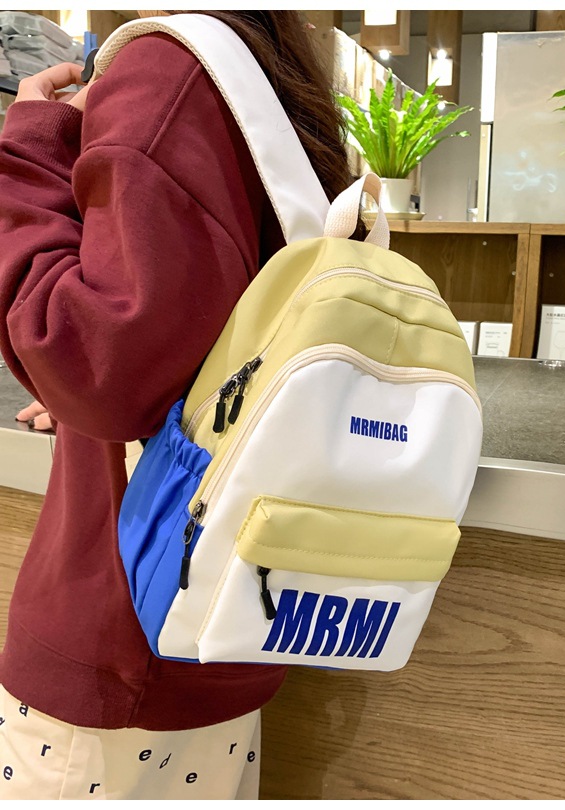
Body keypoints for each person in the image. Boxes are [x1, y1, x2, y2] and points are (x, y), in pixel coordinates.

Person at [0, 10, 356, 800]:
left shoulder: (165, 68)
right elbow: (189, 333)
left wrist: (29, 146)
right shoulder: (264, 75)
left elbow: (97, 365)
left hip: (118, 650)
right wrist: (117, 385)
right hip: (224, 627)